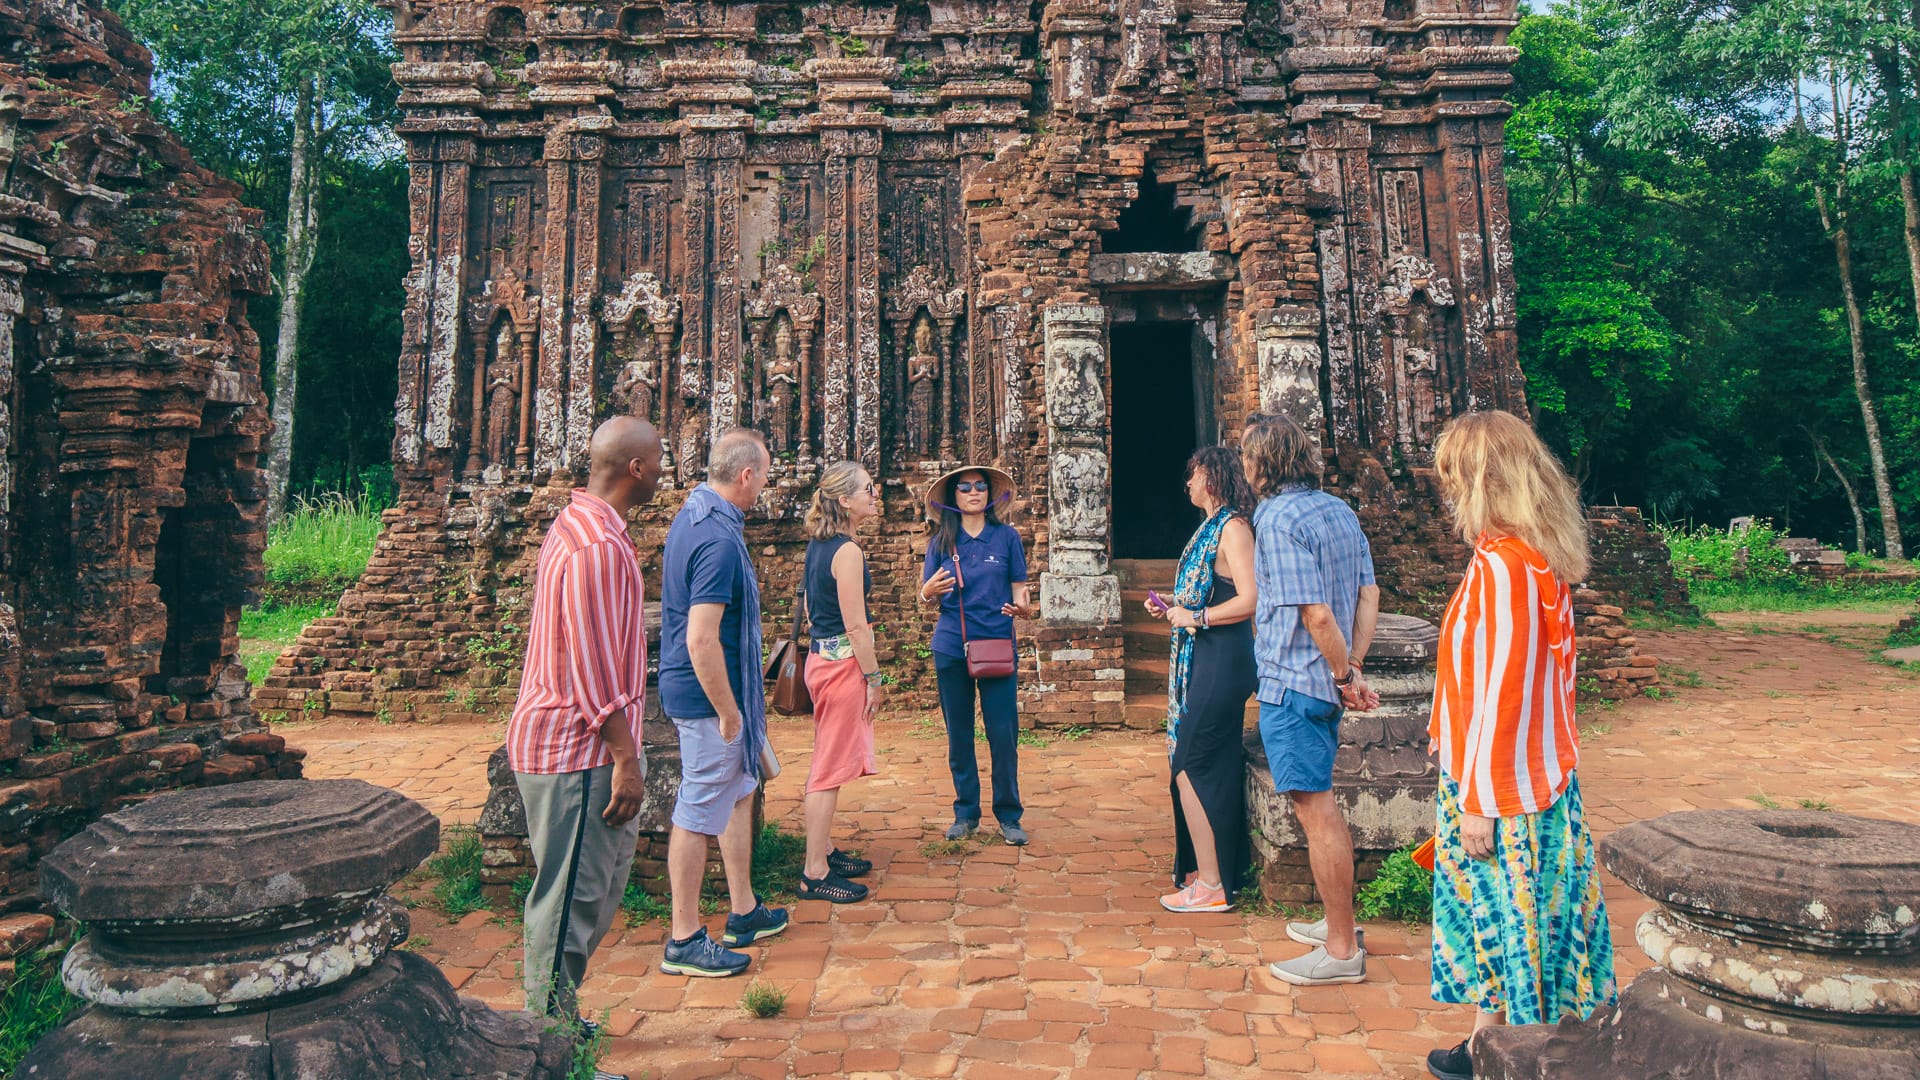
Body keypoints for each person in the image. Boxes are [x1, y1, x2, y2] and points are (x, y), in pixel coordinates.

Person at [1423, 411, 1616, 1080]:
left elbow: (1505, 690)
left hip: (1506, 786)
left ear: (1483, 481)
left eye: (1454, 477)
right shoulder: (1528, 557)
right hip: (1529, 773)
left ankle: (1523, 1060)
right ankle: (1485, 1046)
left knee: (1518, 929)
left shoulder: (1507, 567)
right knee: (1505, 924)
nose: (1446, 492)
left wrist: (1477, 795)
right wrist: (1446, 733)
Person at [507, 416, 661, 1075]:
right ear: (634, 468)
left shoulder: (580, 526)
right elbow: (594, 670)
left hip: (575, 744)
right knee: (568, 900)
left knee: (587, 892)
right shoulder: (596, 545)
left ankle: (557, 1015)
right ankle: (548, 1053)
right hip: (580, 750)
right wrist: (626, 757)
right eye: (657, 459)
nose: (663, 470)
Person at [1242, 412, 1382, 987]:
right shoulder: (1338, 510)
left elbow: (1316, 611)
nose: (1244, 467)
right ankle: (1335, 923)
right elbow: (1367, 595)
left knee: (1315, 810)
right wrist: (1351, 668)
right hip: (1322, 680)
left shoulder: (1275, 517)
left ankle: (1342, 949)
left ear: (1264, 462)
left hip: (1294, 683)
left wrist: (1344, 673)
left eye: (1248, 457)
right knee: (1320, 805)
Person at [658, 427, 790, 977]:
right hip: (709, 698)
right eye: (763, 475)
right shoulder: (715, 538)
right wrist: (730, 712)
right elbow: (701, 638)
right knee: (697, 808)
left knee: (739, 791)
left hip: (719, 693)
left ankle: (743, 910)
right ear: (745, 476)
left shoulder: (698, 515)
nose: (764, 486)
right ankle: (684, 937)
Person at [1150, 446, 1260, 913]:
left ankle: (1213, 885)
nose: (1187, 484)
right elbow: (1214, 590)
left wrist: (1197, 616)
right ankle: (1209, 870)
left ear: (1211, 478)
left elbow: (1250, 598)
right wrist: (1176, 606)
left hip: (1224, 658)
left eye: (1192, 475)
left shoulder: (1233, 528)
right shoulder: (1210, 528)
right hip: (1207, 655)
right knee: (1198, 759)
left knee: (1192, 761)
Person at [917, 466, 1033, 846]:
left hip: (997, 643)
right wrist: (926, 590)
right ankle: (965, 812)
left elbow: (1021, 594)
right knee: (959, 734)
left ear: (989, 494)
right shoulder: (939, 543)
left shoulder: (1007, 538)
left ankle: (1009, 815)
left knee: (1003, 734)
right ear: (953, 497)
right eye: (964, 487)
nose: (973, 492)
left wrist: (1023, 610)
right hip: (951, 646)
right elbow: (926, 595)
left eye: (980, 487)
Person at [797, 461, 884, 903]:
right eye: (868, 488)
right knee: (828, 769)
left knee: (826, 759)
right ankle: (814, 872)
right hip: (841, 666)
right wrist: (873, 677)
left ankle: (825, 850)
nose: (876, 493)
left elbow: (813, 611)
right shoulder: (847, 552)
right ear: (844, 500)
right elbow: (857, 626)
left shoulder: (821, 544)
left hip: (820, 660)